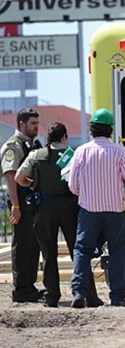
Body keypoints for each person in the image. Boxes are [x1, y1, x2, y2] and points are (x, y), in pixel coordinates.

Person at [15, 123, 103, 308]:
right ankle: (89, 296)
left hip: (44, 208)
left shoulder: (36, 155)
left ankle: (52, 296)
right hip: (70, 207)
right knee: (78, 252)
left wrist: (34, 184)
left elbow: (19, 178)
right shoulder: (74, 155)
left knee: (49, 254)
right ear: (64, 137)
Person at [69, 108, 125, 308]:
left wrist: (85, 195)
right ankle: (118, 297)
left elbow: (72, 185)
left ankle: (79, 293)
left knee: (82, 250)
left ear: (91, 129)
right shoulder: (119, 151)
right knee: (118, 252)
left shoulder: (81, 152)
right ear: (110, 130)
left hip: (88, 211)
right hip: (114, 212)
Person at [0, 108, 43, 303]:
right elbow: (11, 177)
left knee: (33, 244)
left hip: (32, 202)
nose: (36, 127)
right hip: (21, 202)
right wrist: (16, 206)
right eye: (33, 123)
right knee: (22, 243)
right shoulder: (13, 146)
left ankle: (29, 285)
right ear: (21, 124)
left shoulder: (33, 144)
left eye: (37, 123)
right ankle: (21, 289)